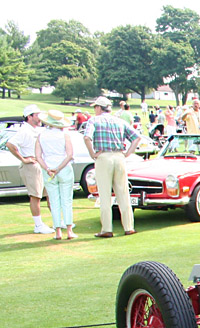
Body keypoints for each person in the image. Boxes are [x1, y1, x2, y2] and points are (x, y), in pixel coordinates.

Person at [83, 95, 141, 237]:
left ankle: (107, 229)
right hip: (119, 156)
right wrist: (128, 153)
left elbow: (86, 137)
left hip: (104, 157)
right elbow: (136, 137)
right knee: (123, 193)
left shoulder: (94, 120)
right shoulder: (119, 121)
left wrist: (92, 153)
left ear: (98, 107)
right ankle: (129, 226)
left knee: (104, 194)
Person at [5, 105, 51, 234]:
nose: (40, 117)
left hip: (41, 164)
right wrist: (24, 159)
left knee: (49, 194)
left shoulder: (37, 130)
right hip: (31, 165)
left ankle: (59, 221)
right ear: (30, 117)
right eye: (37, 114)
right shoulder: (24, 131)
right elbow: (10, 144)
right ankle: (38, 225)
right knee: (35, 196)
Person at [34, 110, 77, 240]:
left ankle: (58, 231)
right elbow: (69, 155)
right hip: (63, 168)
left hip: (49, 169)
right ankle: (69, 230)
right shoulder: (65, 135)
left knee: (54, 200)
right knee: (66, 199)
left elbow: (38, 156)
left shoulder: (41, 135)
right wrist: (58, 168)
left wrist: (47, 168)